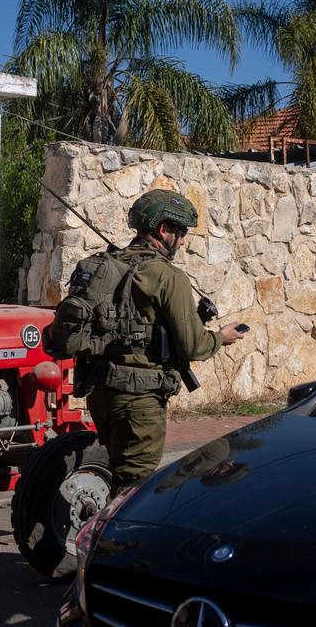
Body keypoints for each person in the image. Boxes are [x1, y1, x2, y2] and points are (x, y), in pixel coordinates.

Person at [85, 189, 245, 487]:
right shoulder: (168, 277)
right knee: (133, 491)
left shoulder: (105, 267)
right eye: (181, 232)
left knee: (117, 476)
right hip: (140, 400)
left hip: (101, 393)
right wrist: (221, 337)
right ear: (163, 229)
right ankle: (113, 535)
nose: (183, 241)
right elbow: (194, 346)